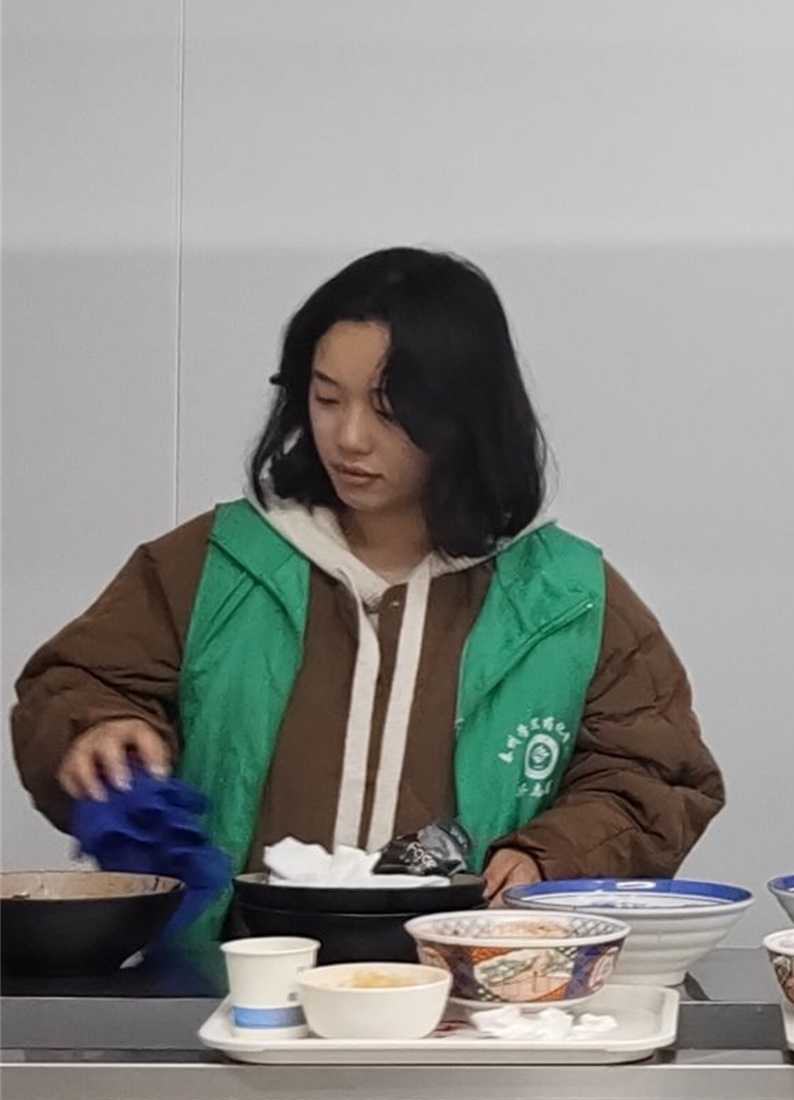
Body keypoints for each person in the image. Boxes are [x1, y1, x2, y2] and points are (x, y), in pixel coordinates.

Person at [12, 248, 725, 926]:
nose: (349, 437)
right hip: (237, 982)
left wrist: (551, 856)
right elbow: (78, 682)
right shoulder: (214, 561)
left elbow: (654, 777)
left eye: (388, 409)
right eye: (327, 398)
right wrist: (96, 727)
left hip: (468, 986)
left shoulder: (567, 597)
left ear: (468, 416)